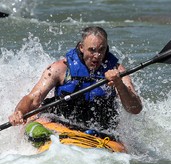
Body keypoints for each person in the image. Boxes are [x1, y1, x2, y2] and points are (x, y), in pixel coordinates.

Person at [9, 26, 142, 130]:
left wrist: (119, 84)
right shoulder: (60, 68)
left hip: (101, 130)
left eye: (102, 50)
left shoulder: (118, 71)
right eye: (92, 50)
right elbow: (33, 99)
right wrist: (19, 111)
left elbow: (135, 109)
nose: (97, 56)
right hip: (60, 124)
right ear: (81, 47)